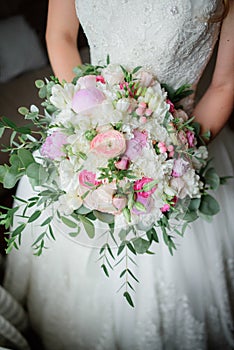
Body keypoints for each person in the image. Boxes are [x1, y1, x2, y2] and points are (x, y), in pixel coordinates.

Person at [3, 0, 234, 349]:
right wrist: (91, 128)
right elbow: (61, 35)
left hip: (178, 149)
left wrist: (172, 157)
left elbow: (224, 85)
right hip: (87, 124)